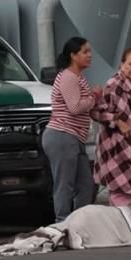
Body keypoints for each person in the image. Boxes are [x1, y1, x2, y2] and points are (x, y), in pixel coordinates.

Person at [42, 37, 102, 222]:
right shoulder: (68, 77)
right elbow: (74, 107)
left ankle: (80, 221)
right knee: (65, 183)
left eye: (89, 51)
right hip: (62, 135)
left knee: (85, 184)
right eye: (85, 52)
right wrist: (94, 97)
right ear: (73, 55)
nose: (89, 55)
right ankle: (62, 223)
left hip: (75, 137)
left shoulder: (78, 77)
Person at [92, 47, 131, 206]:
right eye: (130, 64)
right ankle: (121, 228)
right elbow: (96, 111)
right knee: (121, 194)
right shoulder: (114, 84)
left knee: (126, 194)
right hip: (116, 149)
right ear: (122, 64)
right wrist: (118, 122)